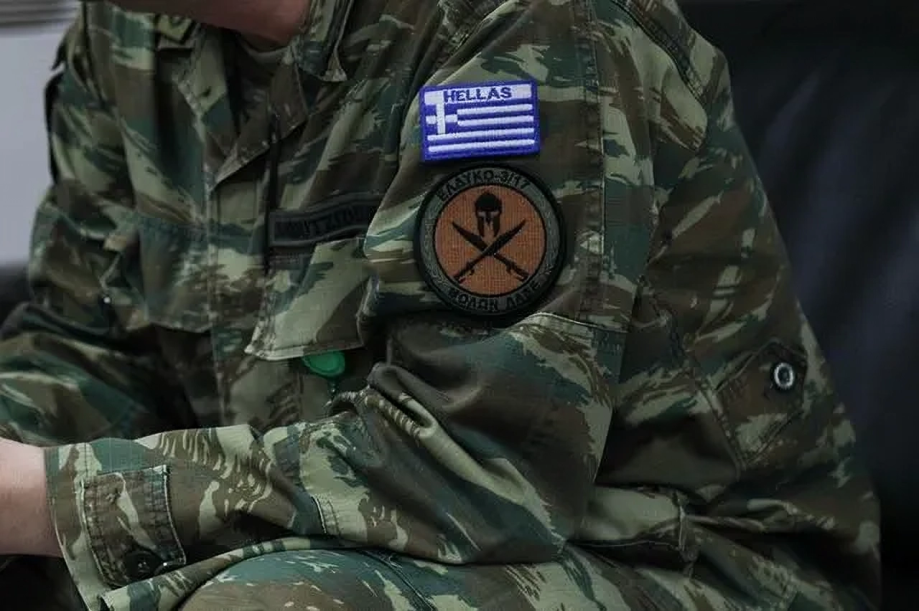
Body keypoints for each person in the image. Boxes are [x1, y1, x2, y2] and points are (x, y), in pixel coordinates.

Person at [0, 0, 881, 608]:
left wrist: (50, 499)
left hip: (677, 558)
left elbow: (475, 467)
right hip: (321, 526)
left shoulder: (525, 28)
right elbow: (90, 343)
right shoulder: (128, 33)